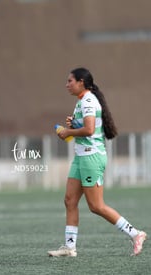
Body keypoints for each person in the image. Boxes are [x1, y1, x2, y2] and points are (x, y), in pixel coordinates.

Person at [48, 67, 147, 257]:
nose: (67, 84)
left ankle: (136, 234)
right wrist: (74, 125)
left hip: (91, 157)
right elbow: (86, 127)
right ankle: (69, 248)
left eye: (70, 81)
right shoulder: (82, 102)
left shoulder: (88, 101)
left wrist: (68, 132)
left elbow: (90, 130)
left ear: (81, 83)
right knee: (70, 200)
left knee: (96, 206)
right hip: (81, 157)